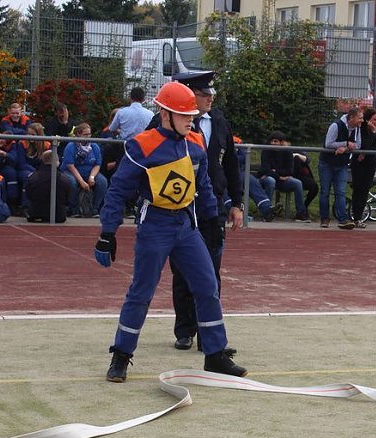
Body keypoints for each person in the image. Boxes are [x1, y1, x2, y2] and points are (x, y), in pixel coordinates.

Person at [93, 80, 247, 382]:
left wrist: (211, 220)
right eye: (185, 115)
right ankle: (121, 356)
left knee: (207, 286)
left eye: (192, 115)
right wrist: (107, 233)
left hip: (187, 228)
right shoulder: (141, 145)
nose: (192, 120)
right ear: (165, 114)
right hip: (155, 228)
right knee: (141, 292)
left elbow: (203, 186)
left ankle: (215, 355)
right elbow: (117, 192)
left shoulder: (196, 143)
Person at [159, 71, 245, 352]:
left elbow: (231, 163)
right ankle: (185, 330)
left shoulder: (219, 122)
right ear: (189, 95)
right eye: (204, 93)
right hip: (180, 206)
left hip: (213, 205)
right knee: (183, 270)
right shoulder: (166, 122)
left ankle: (210, 334)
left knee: (212, 271)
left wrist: (237, 202)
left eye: (211, 94)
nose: (210, 98)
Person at [318, 107, 362, 229]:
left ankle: (342, 219)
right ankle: (324, 218)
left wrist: (345, 148)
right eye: (360, 118)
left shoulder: (357, 129)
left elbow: (357, 145)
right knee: (325, 191)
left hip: (342, 164)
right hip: (327, 163)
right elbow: (328, 143)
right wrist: (346, 144)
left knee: (341, 192)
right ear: (351, 117)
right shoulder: (336, 126)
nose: (361, 120)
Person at [259, 131, 311, 223]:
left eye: (276, 141)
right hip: (269, 179)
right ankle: (267, 211)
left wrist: (276, 172)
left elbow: (289, 171)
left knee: (297, 183)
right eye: (272, 141)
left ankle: (301, 213)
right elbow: (265, 170)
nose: (273, 143)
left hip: (282, 180)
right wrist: (279, 176)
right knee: (270, 181)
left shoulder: (287, 152)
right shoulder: (266, 151)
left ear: (281, 142)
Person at [60, 122, 108, 217]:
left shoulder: (94, 146)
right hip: (71, 171)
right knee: (72, 182)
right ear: (78, 134)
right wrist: (81, 181)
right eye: (85, 134)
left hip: (90, 171)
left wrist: (92, 177)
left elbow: (97, 164)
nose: (88, 136)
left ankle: (94, 209)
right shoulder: (71, 146)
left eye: (89, 134)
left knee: (102, 181)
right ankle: (73, 209)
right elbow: (70, 166)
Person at [350, 107, 376, 228]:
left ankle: (358, 218)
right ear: (368, 119)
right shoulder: (362, 128)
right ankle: (354, 216)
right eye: (374, 119)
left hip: (370, 162)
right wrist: (371, 133)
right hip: (358, 162)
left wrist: (366, 152)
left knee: (365, 189)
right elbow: (363, 145)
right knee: (357, 188)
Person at [234, 135, 282, 222]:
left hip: (238, 172)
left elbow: (244, 157)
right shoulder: (215, 138)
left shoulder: (237, 141)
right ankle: (232, 210)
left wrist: (231, 158)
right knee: (222, 183)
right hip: (220, 171)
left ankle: (267, 209)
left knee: (250, 180)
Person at [25, 150, 73, 223]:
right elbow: (68, 198)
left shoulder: (33, 178)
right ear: (57, 162)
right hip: (59, 215)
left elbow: (28, 194)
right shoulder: (65, 180)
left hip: (35, 214)